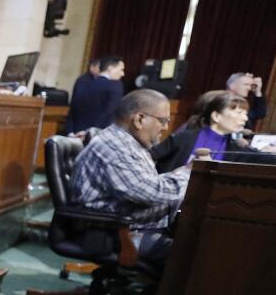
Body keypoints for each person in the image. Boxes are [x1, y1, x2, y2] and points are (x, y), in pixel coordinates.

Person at [70, 88, 190, 269]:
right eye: (163, 120)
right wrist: (189, 173)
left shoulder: (127, 142)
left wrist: (180, 175)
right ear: (140, 119)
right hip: (115, 233)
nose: (165, 127)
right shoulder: (117, 148)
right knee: (193, 256)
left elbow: (147, 184)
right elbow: (153, 193)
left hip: (126, 226)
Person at [150, 90, 252, 172]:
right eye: (239, 113)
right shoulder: (184, 138)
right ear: (216, 116)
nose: (245, 118)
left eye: (246, 114)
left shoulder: (236, 147)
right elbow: (148, 157)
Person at [66, 56, 125, 135]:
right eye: (121, 70)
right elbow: (109, 111)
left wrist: (71, 132)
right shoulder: (116, 85)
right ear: (110, 68)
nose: (123, 74)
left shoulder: (83, 82)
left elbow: (73, 109)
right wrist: (88, 132)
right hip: (98, 136)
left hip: (76, 133)